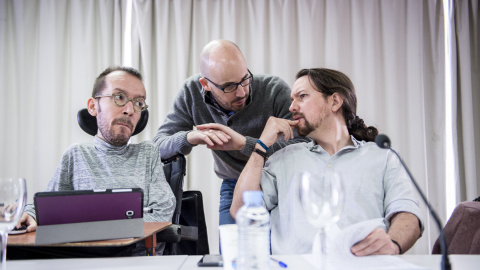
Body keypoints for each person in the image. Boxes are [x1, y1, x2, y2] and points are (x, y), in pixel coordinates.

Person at [230, 68, 424, 256]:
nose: (291, 107)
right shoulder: (282, 159)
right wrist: (261, 146)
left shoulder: (383, 157)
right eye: (292, 99)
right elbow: (240, 211)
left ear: (335, 101)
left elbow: (407, 214)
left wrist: (393, 243)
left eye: (302, 96)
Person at [18, 66, 176, 255]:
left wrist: (89, 224)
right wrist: (26, 213)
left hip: (134, 259)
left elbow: (162, 214)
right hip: (81, 259)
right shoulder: (76, 155)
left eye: (139, 103)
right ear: (93, 106)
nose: (129, 110)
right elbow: (45, 208)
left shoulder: (148, 153)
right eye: (119, 97)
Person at [153, 39, 309, 225]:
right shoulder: (191, 92)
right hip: (234, 185)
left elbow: (304, 147)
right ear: (205, 84)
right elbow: (157, 147)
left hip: (280, 182)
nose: (242, 92)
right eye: (229, 86)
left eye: (245, 79)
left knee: (283, 251)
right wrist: (189, 137)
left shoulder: (273, 90)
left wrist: (244, 144)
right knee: (233, 253)